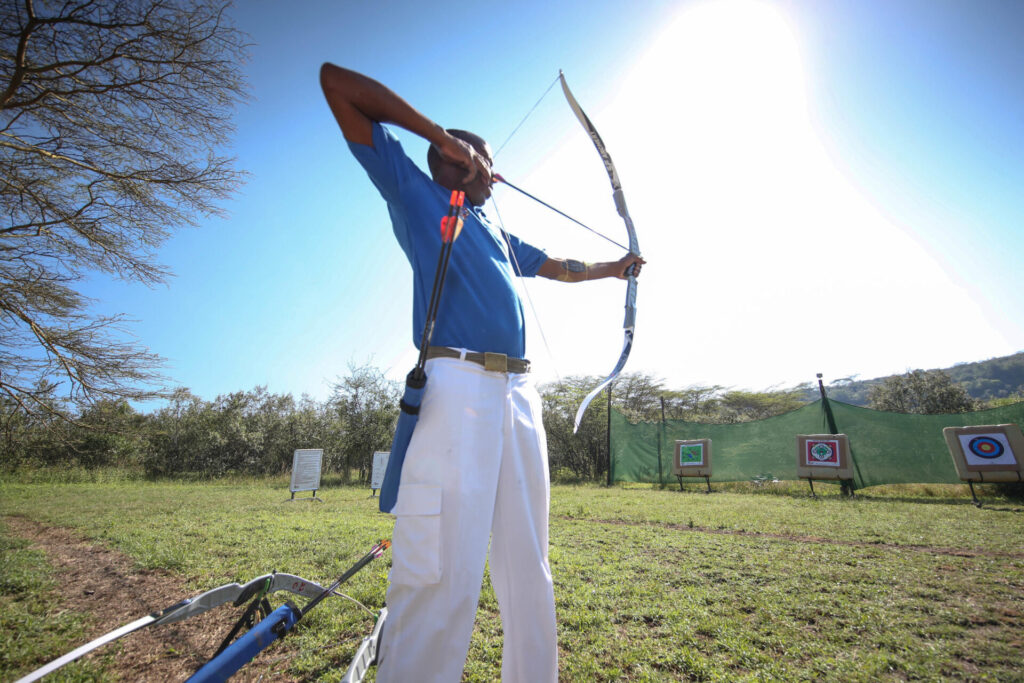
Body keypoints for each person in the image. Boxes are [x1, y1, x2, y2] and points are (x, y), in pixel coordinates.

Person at [319, 63, 645, 683]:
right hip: (456, 386)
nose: (495, 171)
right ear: (457, 160)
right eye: (484, 159)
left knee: (529, 559)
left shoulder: (493, 226)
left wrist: (615, 268)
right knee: (437, 561)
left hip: (520, 393)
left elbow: (557, 267)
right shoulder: (416, 195)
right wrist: (439, 136)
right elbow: (336, 83)